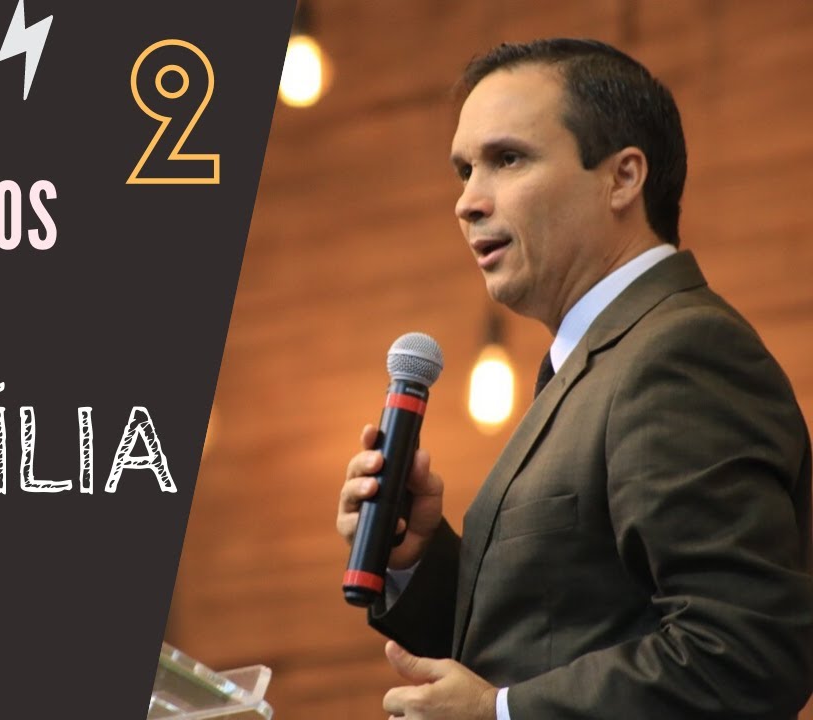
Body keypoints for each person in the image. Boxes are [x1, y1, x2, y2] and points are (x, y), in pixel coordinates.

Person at [336, 39, 813, 720]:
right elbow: (544, 643)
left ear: (623, 178)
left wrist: (500, 714)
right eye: (464, 170)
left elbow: (746, 653)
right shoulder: (596, 364)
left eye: (507, 159)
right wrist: (416, 556)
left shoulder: (680, 353)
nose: (467, 201)